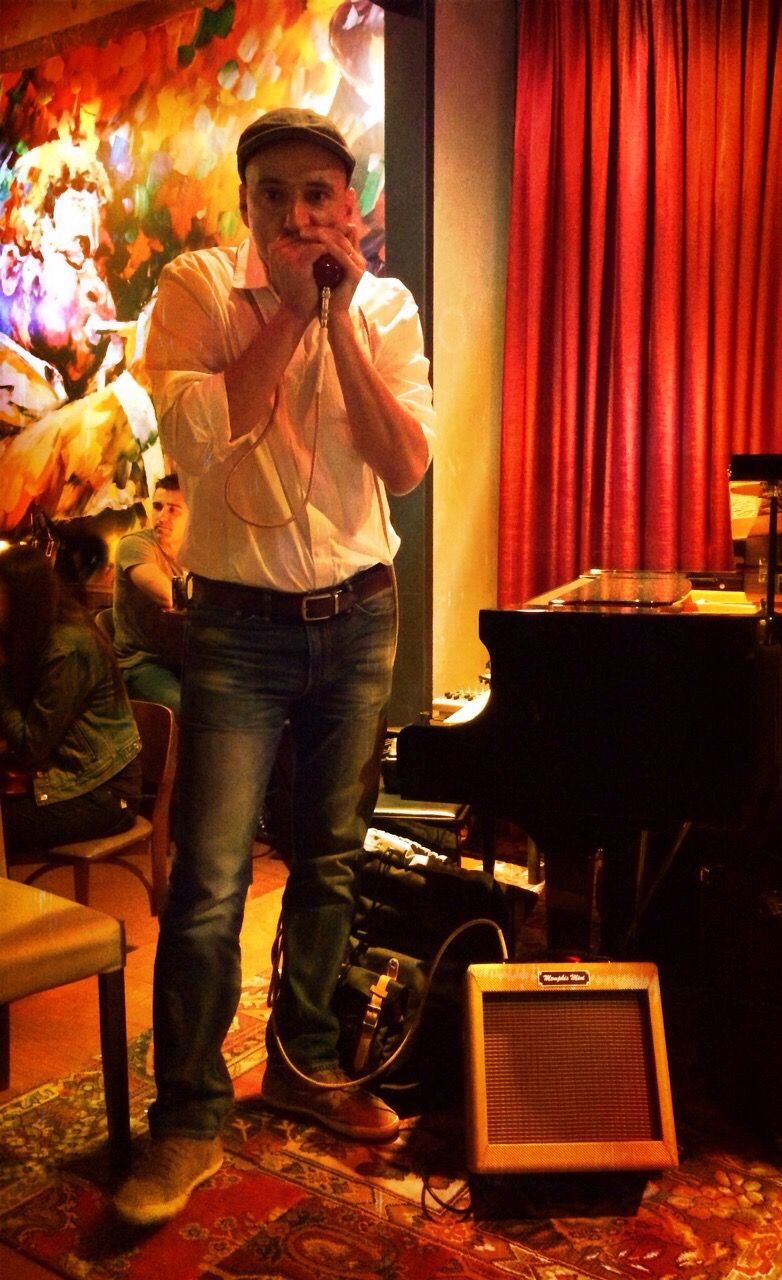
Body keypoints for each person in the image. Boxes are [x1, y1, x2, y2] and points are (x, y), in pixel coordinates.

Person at [114, 106, 435, 1226]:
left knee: (333, 859)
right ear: (245, 206)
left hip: (360, 615)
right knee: (209, 882)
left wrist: (336, 321)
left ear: (349, 204)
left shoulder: (387, 308)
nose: (298, 214)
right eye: (274, 195)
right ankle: (188, 1115)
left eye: (317, 194)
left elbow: (404, 465)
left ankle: (305, 1061)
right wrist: (291, 313)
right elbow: (198, 441)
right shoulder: (197, 291)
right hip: (237, 627)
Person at [0, 544, 142, 858]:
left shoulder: (67, 647)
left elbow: (31, 747)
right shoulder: (32, 636)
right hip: (63, 776)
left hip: (102, 791)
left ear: (22, 598)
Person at [112, 474, 188, 718]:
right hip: (142, 663)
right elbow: (168, 596)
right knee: (191, 714)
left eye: (173, 510)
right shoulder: (135, 545)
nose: (162, 516)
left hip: (188, 660)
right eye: (157, 507)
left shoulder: (197, 553)